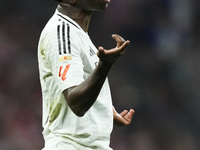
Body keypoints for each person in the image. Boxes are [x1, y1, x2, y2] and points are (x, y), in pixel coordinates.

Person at [37, 0, 134, 149]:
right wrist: (105, 65)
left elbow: (79, 86)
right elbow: (76, 103)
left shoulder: (77, 33)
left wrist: (105, 109)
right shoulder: (62, 33)